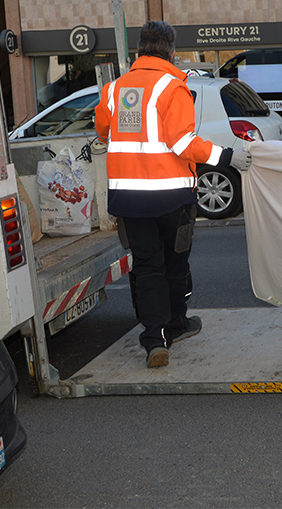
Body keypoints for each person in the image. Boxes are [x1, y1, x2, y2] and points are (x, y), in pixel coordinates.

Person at [95, 20, 252, 368]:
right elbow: (183, 143)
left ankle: (154, 340)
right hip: (170, 198)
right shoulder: (173, 87)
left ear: (139, 50)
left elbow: (103, 129)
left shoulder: (114, 89)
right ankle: (177, 325)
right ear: (171, 52)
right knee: (175, 262)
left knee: (148, 266)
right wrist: (228, 156)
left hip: (128, 198)